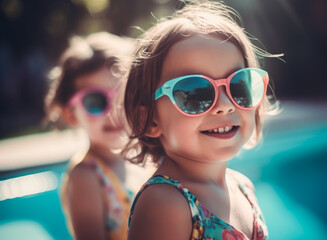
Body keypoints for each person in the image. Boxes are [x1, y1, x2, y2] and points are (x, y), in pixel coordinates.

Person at [121, 1, 278, 239]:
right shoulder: (165, 205)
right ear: (151, 120)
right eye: (196, 92)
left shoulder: (243, 186)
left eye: (238, 85)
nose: (225, 105)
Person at [44, 32, 152, 240]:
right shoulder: (86, 178)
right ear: (71, 114)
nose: (114, 112)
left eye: (123, 96)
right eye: (95, 102)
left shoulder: (144, 159)